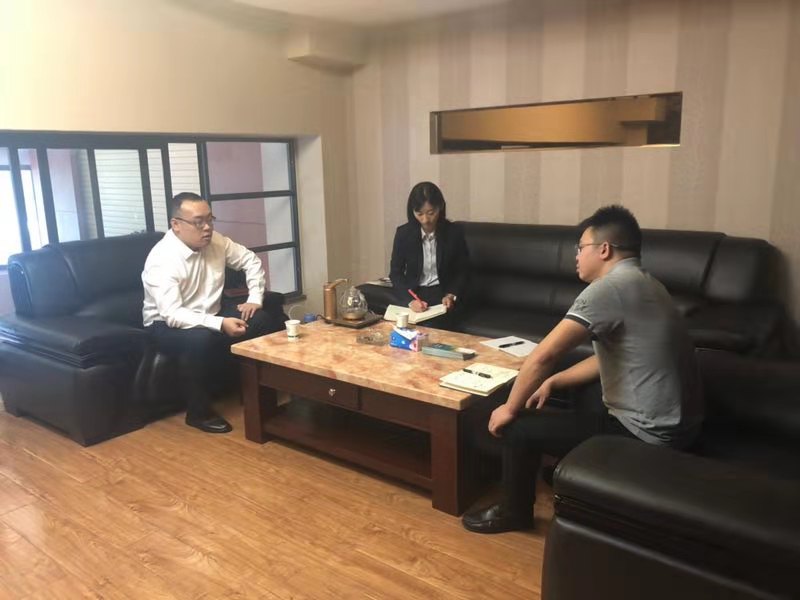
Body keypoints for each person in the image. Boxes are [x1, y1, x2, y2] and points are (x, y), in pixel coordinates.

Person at [462, 205, 704, 533]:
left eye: (580, 248)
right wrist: (554, 382)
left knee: (517, 428)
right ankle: (576, 465)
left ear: (604, 250)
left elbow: (543, 356)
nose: (576, 256)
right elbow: (611, 358)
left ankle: (513, 512)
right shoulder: (649, 284)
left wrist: (509, 408)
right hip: (680, 427)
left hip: (647, 435)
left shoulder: (608, 289)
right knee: (582, 391)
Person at [142, 192, 280, 434]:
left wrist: (254, 299)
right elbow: (173, 313)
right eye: (198, 222)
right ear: (176, 225)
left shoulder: (216, 241)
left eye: (210, 219)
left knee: (263, 320)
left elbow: (250, 260)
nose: (207, 228)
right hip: (165, 325)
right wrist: (220, 323)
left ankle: (256, 394)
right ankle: (198, 413)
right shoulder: (162, 259)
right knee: (201, 339)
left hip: (214, 313)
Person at [389, 181, 469, 328]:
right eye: (419, 214)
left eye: (431, 213)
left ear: (440, 207)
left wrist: (451, 294)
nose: (425, 220)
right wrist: (410, 301)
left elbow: (462, 270)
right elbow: (395, 273)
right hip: (414, 293)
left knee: (435, 325)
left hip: (442, 293)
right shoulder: (403, 234)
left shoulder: (454, 233)